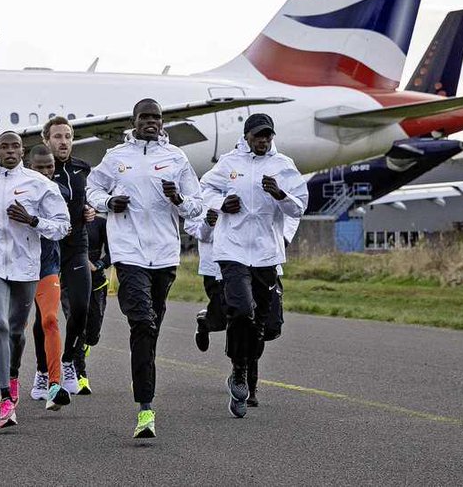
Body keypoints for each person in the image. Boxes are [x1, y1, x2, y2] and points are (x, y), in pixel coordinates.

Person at [86, 99, 204, 439]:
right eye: (144, 117)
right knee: (142, 321)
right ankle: (145, 409)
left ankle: (146, 401)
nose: (151, 122)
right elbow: (93, 189)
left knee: (148, 331)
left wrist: (179, 200)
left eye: (156, 117)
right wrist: (108, 203)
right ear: (134, 121)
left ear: (162, 122)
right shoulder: (116, 157)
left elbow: (197, 206)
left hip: (165, 256)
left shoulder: (176, 159)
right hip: (128, 253)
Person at [200, 112, 307, 419]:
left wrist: (279, 193)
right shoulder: (230, 163)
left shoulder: (283, 166)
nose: (263, 141)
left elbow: (299, 207)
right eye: (257, 136)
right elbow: (205, 189)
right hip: (231, 250)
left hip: (266, 254)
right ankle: (237, 371)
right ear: (246, 137)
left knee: (260, 323)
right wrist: (220, 204)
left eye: (267, 136)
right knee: (241, 309)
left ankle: (245, 370)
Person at [0, 131, 70, 428]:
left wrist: (33, 221)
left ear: (22, 151)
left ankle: (13, 375)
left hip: (26, 266)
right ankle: (5, 399)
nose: (9, 151)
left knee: (15, 331)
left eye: (15, 146)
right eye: (4, 146)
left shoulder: (39, 184)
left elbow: (63, 226)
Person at [41, 116, 95, 394]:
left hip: (76, 246)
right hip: (48, 248)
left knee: (81, 308)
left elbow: (90, 198)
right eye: (58, 137)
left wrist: (90, 209)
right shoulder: (39, 170)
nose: (63, 142)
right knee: (46, 316)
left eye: (68, 136)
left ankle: (69, 361)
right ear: (46, 140)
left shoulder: (82, 169)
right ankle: (43, 371)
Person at [26, 144, 73, 410]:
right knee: (10, 328)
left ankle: (54, 385)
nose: (45, 173)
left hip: (47, 266)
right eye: (39, 167)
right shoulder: (14, 188)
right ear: (28, 166)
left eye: (50, 168)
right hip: (17, 268)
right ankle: (13, 384)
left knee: (50, 319)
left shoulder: (57, 191)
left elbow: (62, 223)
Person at [184, 208, 226, 353]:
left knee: (242, 311)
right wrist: (208, 224)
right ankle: (206, 322)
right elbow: (191, 227)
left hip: (246, 262)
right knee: (226, 311)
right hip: (214, 265)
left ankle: (207, 319)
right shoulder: (203, 194)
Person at [81, 215, 110, 376]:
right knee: (77, 324)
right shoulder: (68, 220)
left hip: (97, 281)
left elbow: (113, 252)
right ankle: (79, 373)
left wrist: (99, 265)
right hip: (73, 279)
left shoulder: (100, 223)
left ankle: (87, 342)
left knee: (93, 334)